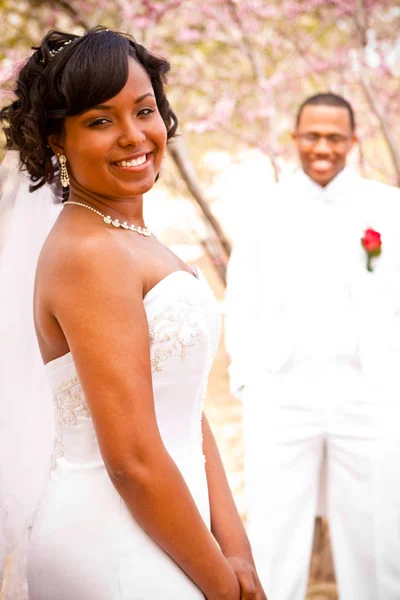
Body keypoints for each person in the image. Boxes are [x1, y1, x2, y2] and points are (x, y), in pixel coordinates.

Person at [0, 28, 267, 600]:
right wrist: (222, 585)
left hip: (173, 527)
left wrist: (237, 549)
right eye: (100, 121)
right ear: (58, 140)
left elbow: (187, 411)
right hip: (115, 545)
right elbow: (132, 460)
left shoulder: (129, 236)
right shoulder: (89, 254)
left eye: (144, 111)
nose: (133, 136)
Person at [225, 92, 400, 600]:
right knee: (273, 529)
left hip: (368, 391)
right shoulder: (263, 209)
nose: (323, 147)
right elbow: (242, 299)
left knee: (377, 531)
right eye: (313, 135)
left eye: (334, 137)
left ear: (352, 140)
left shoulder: (388, 207)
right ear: (295, 138)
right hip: (281, 391)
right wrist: (248, 380)